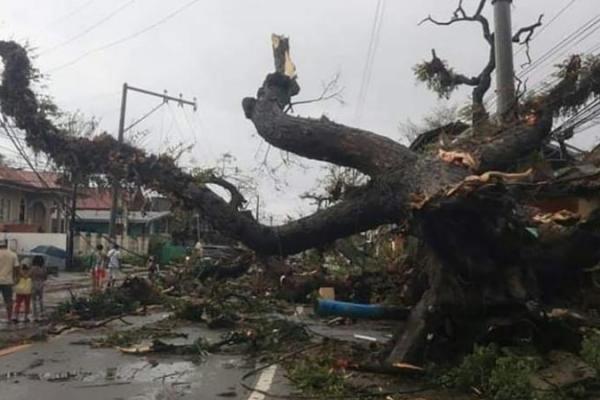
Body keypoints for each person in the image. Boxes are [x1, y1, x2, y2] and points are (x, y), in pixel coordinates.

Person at [0, 240, 18, 322]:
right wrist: (15, 278)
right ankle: (9, 317)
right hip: (8, 281)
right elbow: (16, 267)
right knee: (8, 300)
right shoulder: (13, 254)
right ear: (6, 245)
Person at [30, 255, 47, 322]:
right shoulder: (43, 268)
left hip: (33, 284)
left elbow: (29, 275)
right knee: (40, 299)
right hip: (41, 285)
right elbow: (45, 277)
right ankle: (42, 314)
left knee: (33, 300)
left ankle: (35, 316)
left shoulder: (33, 268)